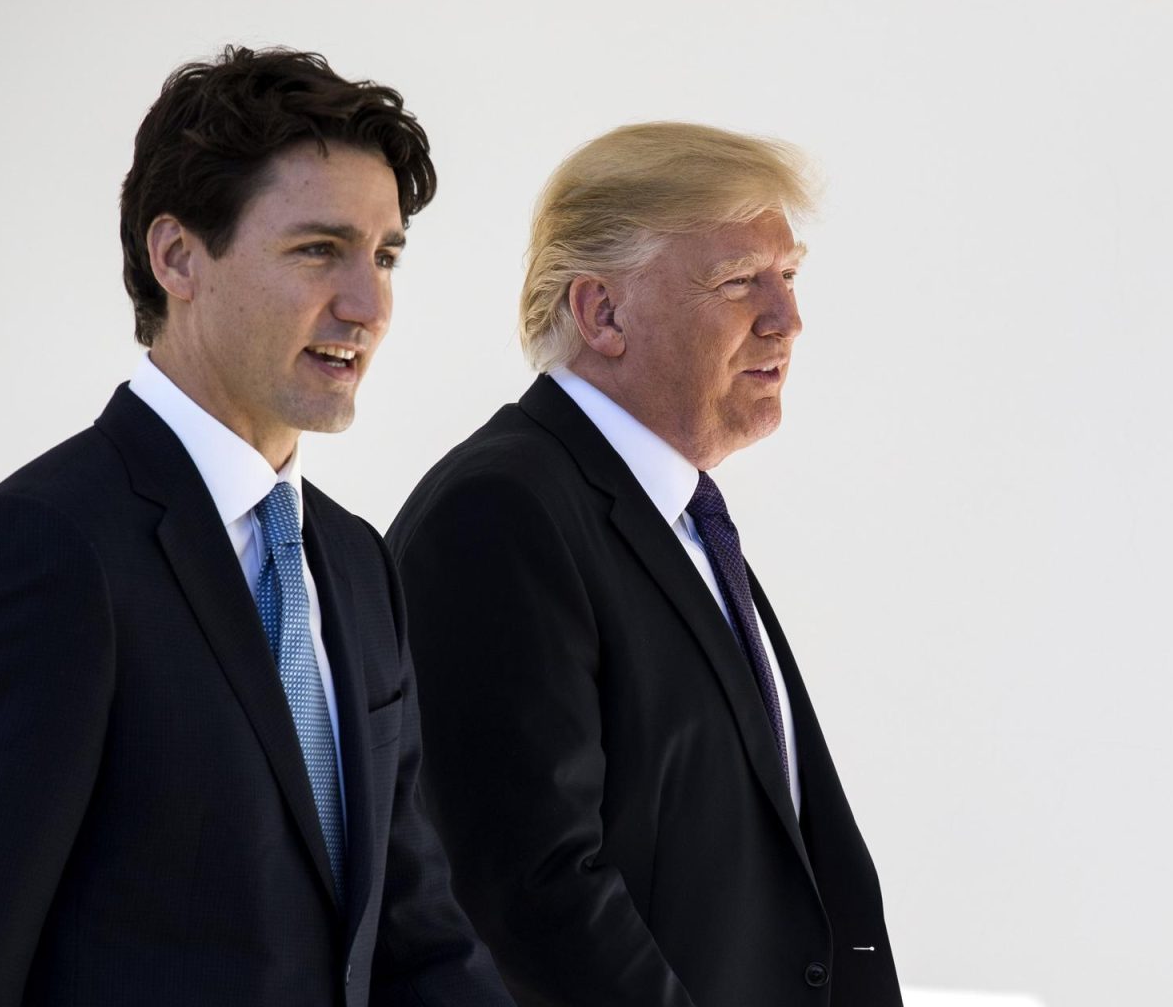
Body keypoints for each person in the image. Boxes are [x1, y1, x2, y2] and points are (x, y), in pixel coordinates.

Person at [0, 46, 512, 1007]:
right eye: (320, 249)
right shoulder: (45, 556)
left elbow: (418, 940)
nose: (369, 306)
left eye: (386, 255)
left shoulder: (357, 564)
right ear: (177, 256)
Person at [386, 122, 903, 1007]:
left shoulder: (679, 517)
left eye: (789, 274)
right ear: (603, 312)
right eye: (741, 280)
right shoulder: (501, 513)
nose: (787, 316)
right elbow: (531, 893)